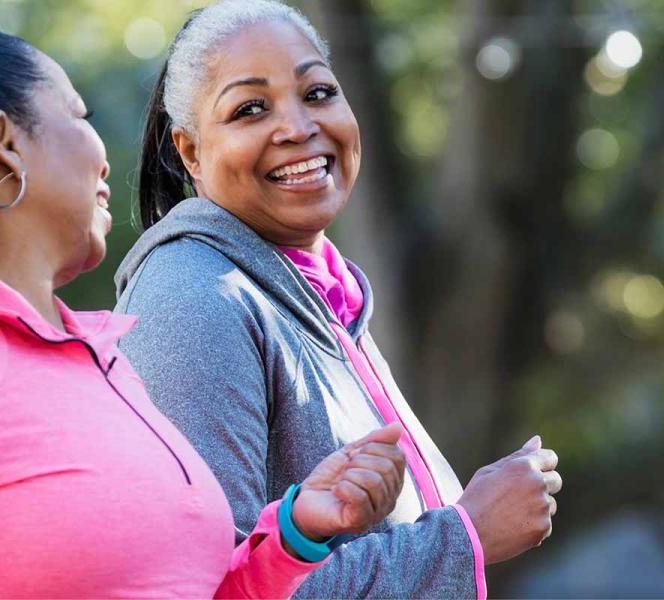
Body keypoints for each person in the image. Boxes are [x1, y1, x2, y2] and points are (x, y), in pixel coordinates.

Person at [0, 1, 407, 596]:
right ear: (5, 142)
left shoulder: (99, 358)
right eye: (80, 113)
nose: (103, 151)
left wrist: (296, 534)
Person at [115, 1, 563, 598]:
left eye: (318, 92)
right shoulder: (194, 295)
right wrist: (467, 534)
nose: (299, 127)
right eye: (250, 108)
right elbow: (211, 586)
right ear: (192, 152)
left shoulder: (321, 292)